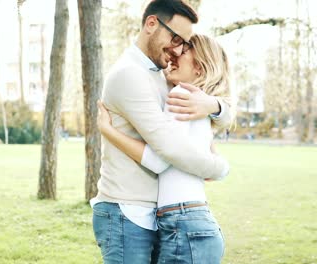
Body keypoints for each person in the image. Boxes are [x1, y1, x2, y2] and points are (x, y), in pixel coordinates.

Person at [89, 0, 232, 263]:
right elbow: (164, 154)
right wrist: (219, 168)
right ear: (151, 24)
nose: (177, 50)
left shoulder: (164, 76)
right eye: (175, 38)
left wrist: (214, 105)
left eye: (184, 43)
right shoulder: (130, 75)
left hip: (156, 214)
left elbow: (214, 118)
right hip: (127, 209)